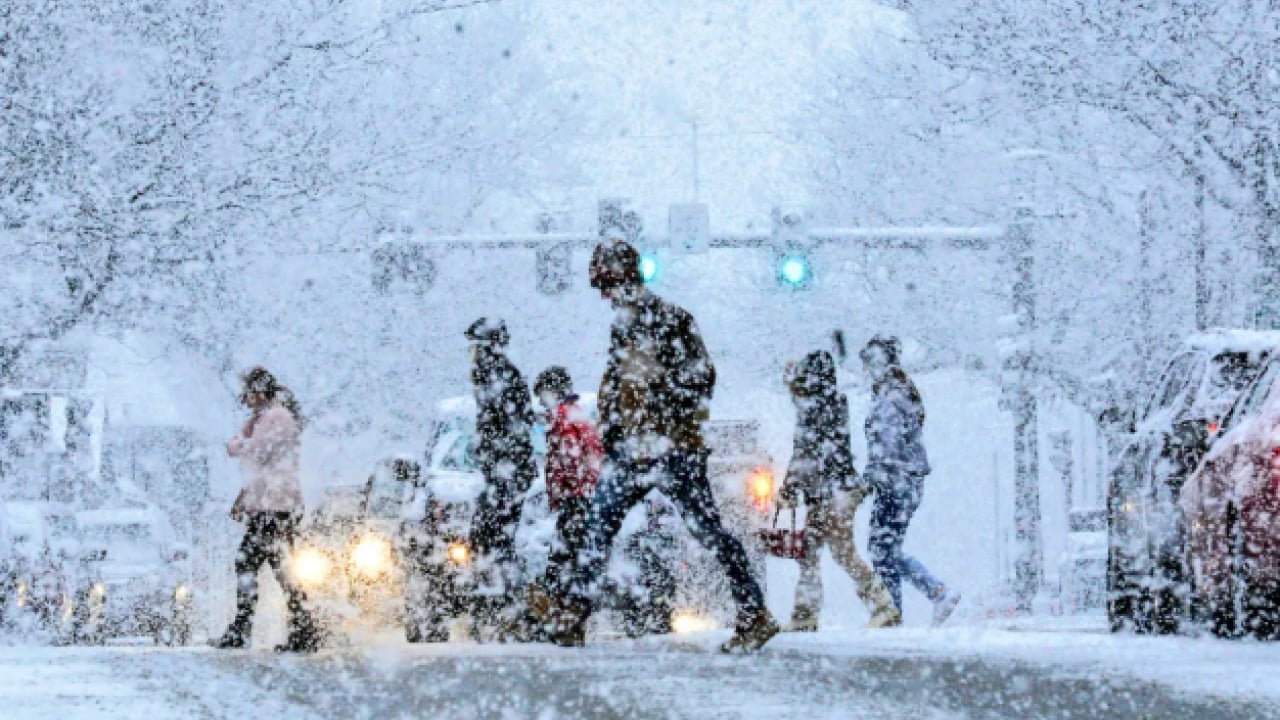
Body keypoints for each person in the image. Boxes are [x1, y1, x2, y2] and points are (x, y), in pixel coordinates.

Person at [538, 239, 779, 653]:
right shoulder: (625, 325)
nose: (604, 296)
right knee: (600, 530)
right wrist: (615, 431)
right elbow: (618, 387)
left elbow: (703, 378)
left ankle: (755, 613)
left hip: (670, 449)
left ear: (624, 279)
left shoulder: (672, 319)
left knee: (706, 532)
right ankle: (573, 616)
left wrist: (657, 397)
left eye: (607, 285)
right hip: (633, 451)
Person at [778, 350, 901, 631]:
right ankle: (805, 613)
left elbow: (805, 454)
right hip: (836, 488)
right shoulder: (832, 400)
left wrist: (789, 487)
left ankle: (882, 605)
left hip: (832, 491)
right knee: (812, 549)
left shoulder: (813, 407)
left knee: (839, 551)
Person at [211, 366, 320, 652]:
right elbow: (258, 467)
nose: (244, 400)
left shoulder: (278, 418)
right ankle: (303, 627)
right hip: (268, 506)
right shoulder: (264, 419)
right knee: (280, 568)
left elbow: (257, 453)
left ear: (259, 392)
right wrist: (243, 499)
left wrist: (239, 441)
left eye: (247, 394)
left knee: (252, 564)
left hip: (276, 506)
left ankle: (246, 629)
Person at [860, 336, 960, 626]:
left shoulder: (889, 397)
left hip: (894, 482)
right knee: (887, 550)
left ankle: (902, 609)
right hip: (907, 483)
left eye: (869, 364)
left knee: (882, 550)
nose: (867, 371)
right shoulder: (901, 392)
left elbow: (887, 446)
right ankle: (929, 595)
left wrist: (870, 478)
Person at [464, 317, 538, 638]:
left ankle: (512, 604)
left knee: (494, 537)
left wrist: (499, 464)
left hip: (506, 473)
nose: (472, 355)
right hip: (502, 472)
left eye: (476, 347)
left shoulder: (499, 376)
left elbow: (508, 429)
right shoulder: (494, 376)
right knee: (489, 537)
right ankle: (503, 602)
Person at [532, 366, 604, 596]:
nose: (542, 402)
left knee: (565, 553)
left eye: (543, 395)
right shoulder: (576, 413)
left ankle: (559, 600)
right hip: (584, 495)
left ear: (554, 391)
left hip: (576, 497)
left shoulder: (562, 417)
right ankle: (565, 596)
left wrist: (569, 490)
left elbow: (571, 458)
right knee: (573, 552)